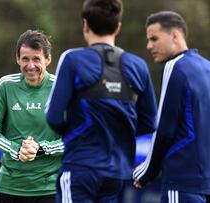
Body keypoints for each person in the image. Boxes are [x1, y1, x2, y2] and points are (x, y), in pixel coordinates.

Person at [45, 0, 157, 202]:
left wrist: (79, 133)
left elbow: (53, 116)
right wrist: (117, 130)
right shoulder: (139, 65)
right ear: (118, 28)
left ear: (85, 24)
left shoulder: (72, 59)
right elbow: (149, 122)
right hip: (117, 173)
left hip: (80, 167)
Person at [133, 11, 210, 203]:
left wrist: (146, 172)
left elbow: (164, 129)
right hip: (205, 183)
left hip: (182, 181)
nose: (149, 45)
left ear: (174, 35)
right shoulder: (207, 67)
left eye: (154, 38)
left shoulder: (175, 66)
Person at [0, 29, 64, 203]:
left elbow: (74, 137)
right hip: (9, 187)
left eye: (36, 59)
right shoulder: (4, 86)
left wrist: (41, 148)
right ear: (17, 59)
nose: (30, 65)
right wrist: (17, 149)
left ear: (48, 60)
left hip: (50, 188)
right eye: (25, 59)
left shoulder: (61, 87)